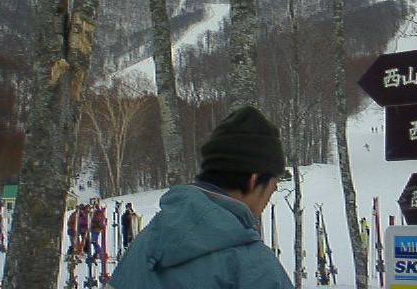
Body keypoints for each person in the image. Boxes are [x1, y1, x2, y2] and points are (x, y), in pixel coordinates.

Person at [108, 105, 294, 289]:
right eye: (272, 187)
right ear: (254, 180)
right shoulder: (254, 266)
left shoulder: (144, 244)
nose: (268, 198)